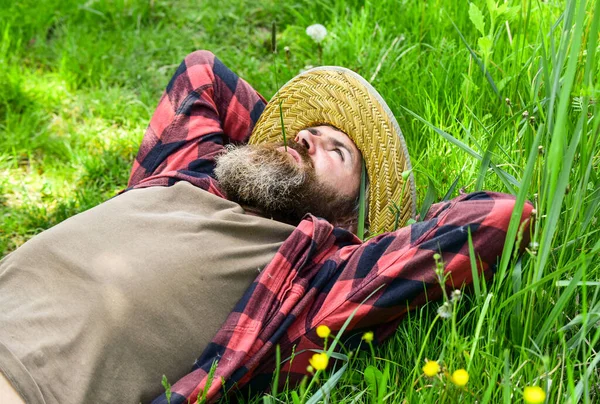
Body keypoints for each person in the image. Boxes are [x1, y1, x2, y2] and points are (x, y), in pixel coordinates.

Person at [0, 50, 533, 404]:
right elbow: (201, 73)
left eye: (335, 150)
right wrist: (265, 156)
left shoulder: (311, 275)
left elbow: (498, 218)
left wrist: (367, 226)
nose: (304, 138)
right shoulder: (196, 172)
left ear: (350, 214)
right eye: (304, 131)